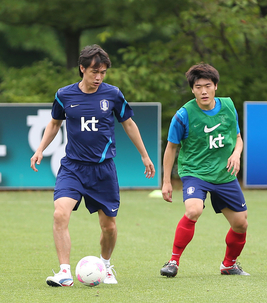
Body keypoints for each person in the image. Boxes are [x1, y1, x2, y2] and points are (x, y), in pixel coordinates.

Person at [30, 44, 156, 287]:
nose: (99, 77)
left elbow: (128, 124)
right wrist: (40, 149)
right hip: (73, 168)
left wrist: (145, 155)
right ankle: (64, 272)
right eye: (94, 71)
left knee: (108, 226)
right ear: (82, 69)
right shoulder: (64, 95)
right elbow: (55, 123)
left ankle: (106, 266)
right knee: (60, 213)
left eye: (103, 72)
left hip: (103, 170)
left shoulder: (113, 95)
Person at [160, 63, 249, 277]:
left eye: (207, 86)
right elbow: (171, 148)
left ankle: (228, 265)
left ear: (215, 86)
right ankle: (173, 261)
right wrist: (166, 181)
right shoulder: (183, 115)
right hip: (195, 172)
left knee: (241, 224)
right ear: (192, 89)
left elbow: (237, 139)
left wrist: (236, 153)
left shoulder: (228, 107)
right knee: (193, 210)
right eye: (198, 86)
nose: (203, 91)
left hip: (224, 174)